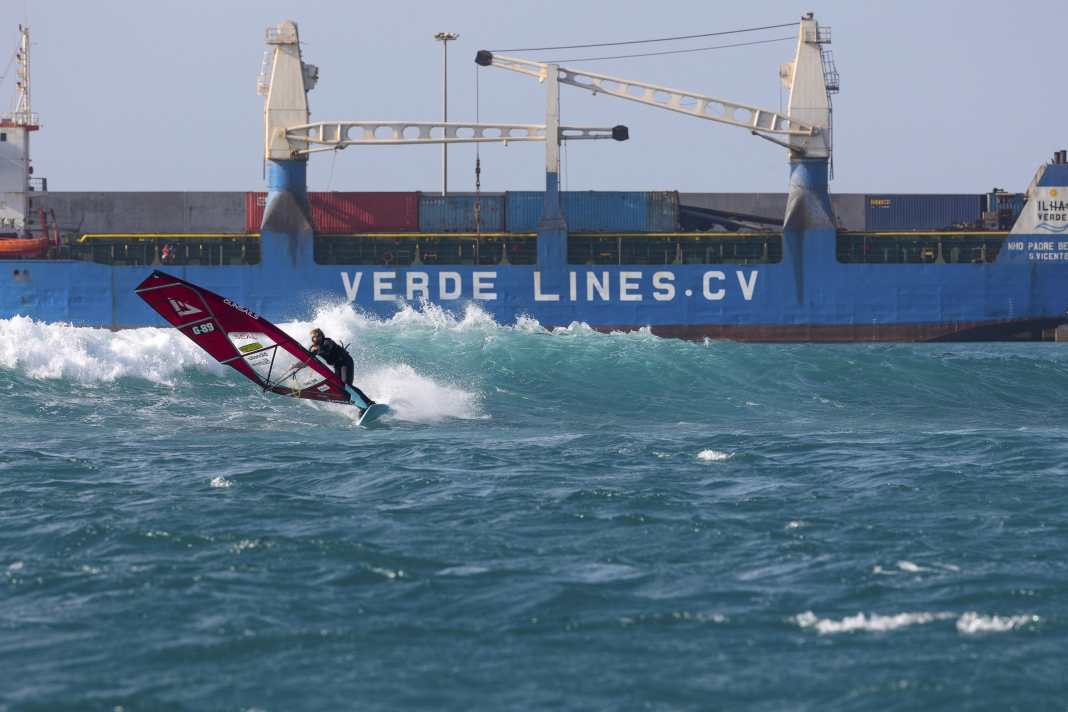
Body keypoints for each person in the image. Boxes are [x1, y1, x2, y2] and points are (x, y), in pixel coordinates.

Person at [308, 328, 375, 410]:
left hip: (345, 361)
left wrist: (318, 350)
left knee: (347, 384)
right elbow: (308, 359)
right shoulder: (313, 348)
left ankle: (369, 402)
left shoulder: (328, 342)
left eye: (318, 335)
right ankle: (362, 407)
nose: (316, 338)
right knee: (340, 388)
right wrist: (296, 366)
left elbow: (329, 349)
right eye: (314, 337)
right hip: (337, 365)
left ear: (321, 335)